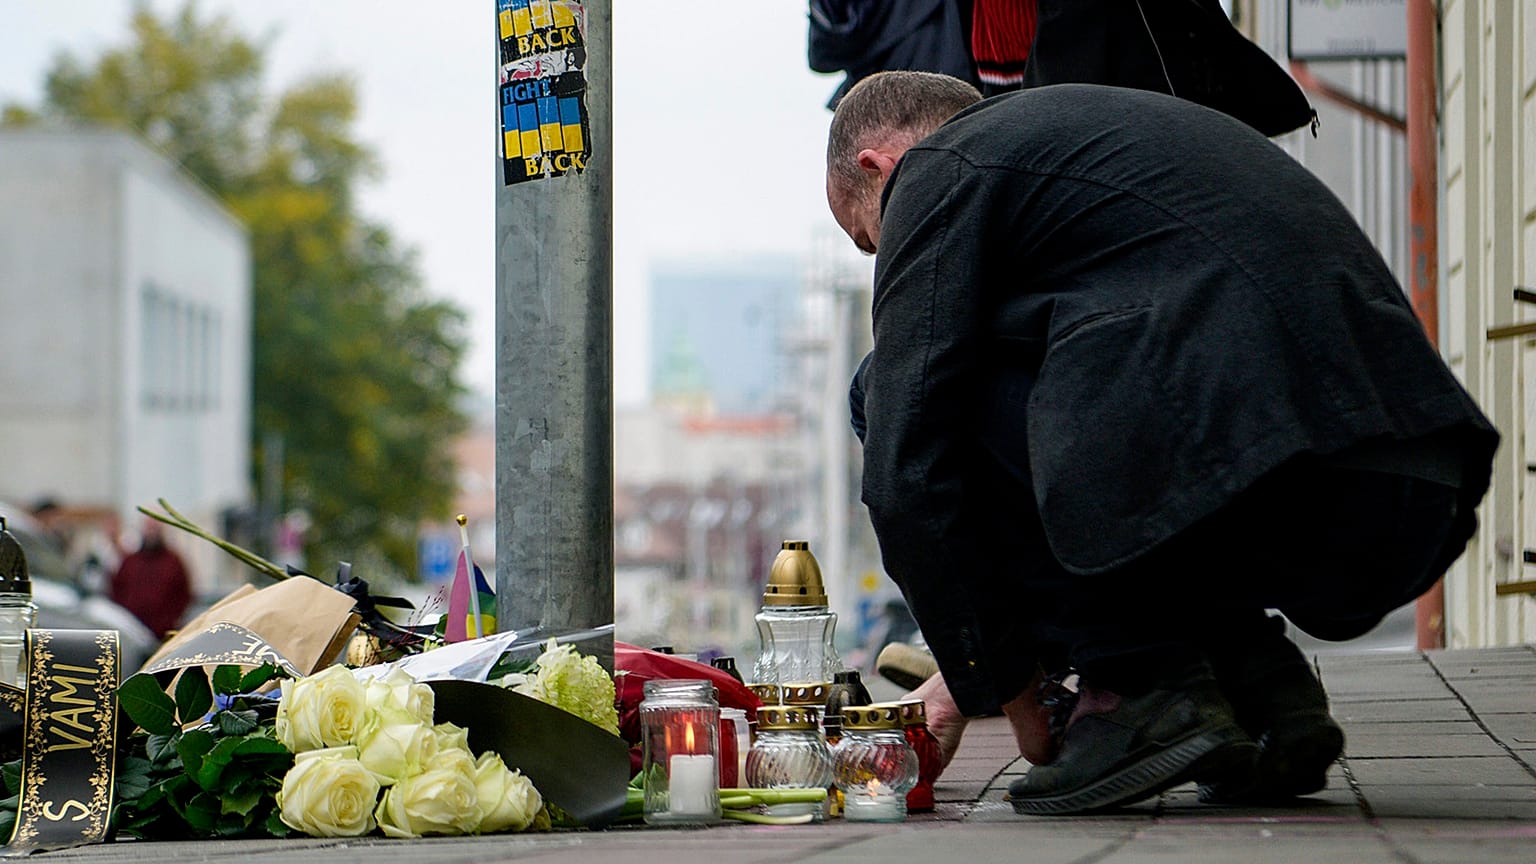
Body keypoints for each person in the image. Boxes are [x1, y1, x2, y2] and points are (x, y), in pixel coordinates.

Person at [825, 71, 1498, 815]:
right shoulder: (1105, 149)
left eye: (870, 239)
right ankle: (1259, 692)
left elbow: (904, 470)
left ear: (877, 169)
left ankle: (1139, 690)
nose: (886, 260)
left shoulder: (942, 166)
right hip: (1410, 478)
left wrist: (1018, 706)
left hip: (1259, 453)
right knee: (1054, 384)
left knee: (888, 390)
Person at [110, 518, 193, 640]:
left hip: (164, 634)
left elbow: (184, 594)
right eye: (149, 528)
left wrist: (170, 621)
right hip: (133, 633)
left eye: (155, 528)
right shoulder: (130, 562)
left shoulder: (174, 562)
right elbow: (116, 591)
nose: (152, 532)